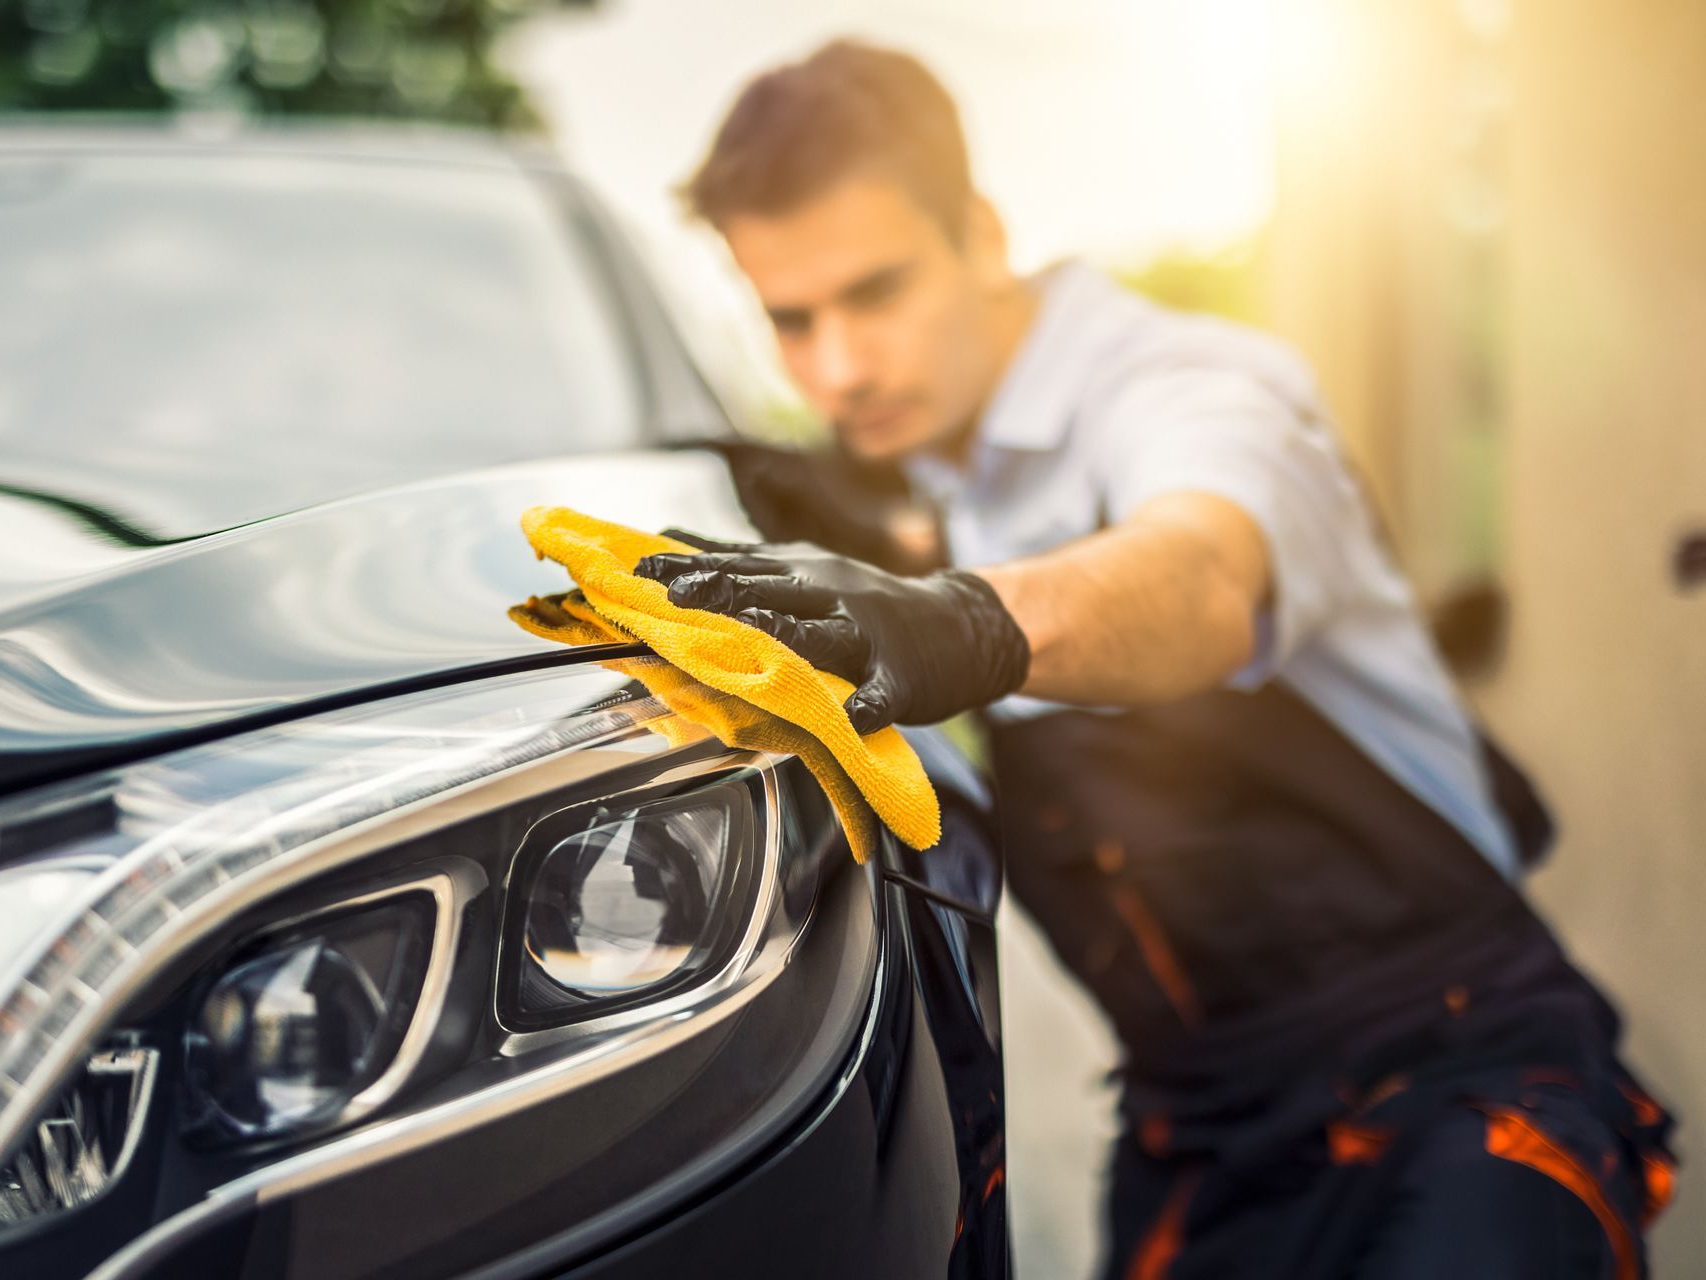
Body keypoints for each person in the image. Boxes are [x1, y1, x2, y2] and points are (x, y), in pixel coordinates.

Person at [636, 39, 1676, 1279]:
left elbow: (1199, 575)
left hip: (1453, 1086)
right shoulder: (936, 469)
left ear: (980, 230)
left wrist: (963, 620)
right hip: (1199, 1133)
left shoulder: (1190, 384)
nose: (839, 367)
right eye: (791, 320)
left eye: (876, 293)